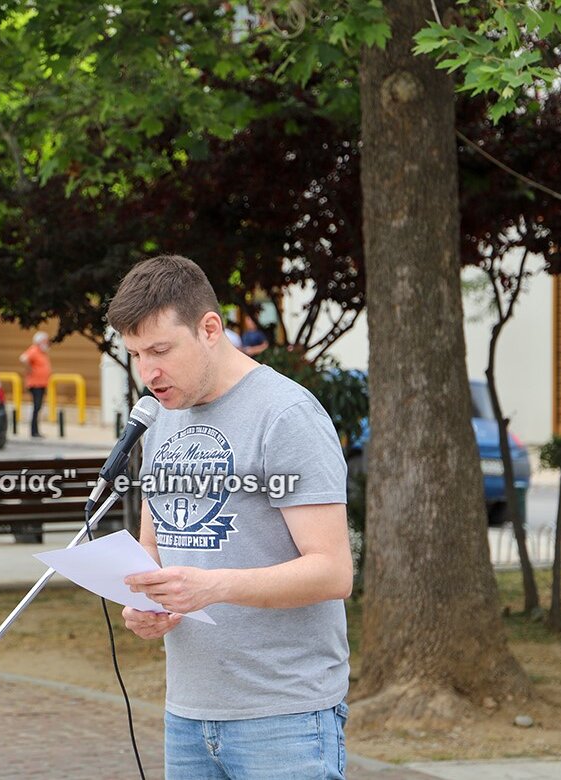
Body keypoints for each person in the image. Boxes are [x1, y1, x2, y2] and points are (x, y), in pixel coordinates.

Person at [106, 255, 352, 779]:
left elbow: (333, 570)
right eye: (135, 354)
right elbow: (155, 548)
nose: (148, 371)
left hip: (285, 718)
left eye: (160, 350)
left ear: (210, 329)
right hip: (188, 713)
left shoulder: (285, 414)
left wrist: (212, 587)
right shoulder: (164, 416)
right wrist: (142, 604)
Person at [18, 331, 52, 438]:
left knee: (38, 407)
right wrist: (30, 369)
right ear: (39, 342)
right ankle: (34, 431)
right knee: (36, 407)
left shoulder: (42, 352)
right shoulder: (34, 350)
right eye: (45, 341)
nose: (47, 344)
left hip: (42, 384)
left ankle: (36, 430)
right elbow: (23, 358)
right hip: (35, 384)